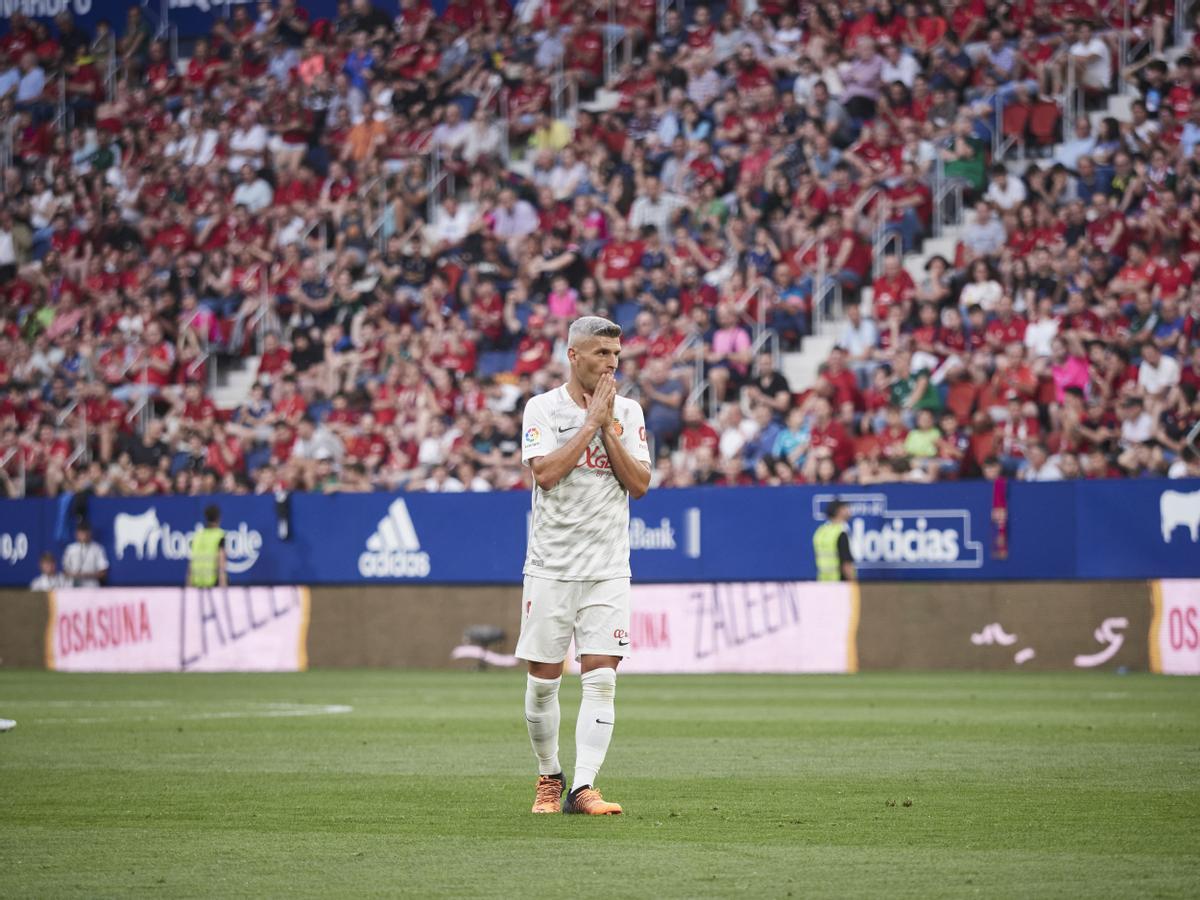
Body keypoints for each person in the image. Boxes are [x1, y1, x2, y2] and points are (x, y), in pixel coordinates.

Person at [518, 316, 652, 816]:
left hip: (608, 568)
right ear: (573, 356)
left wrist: (607, 426)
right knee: (543, 684)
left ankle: (583, 788)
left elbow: (638, 484)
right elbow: (547, 474)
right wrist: (589, 424)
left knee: (601, 679)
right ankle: (549, 775)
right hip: (551, 567)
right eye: (601, 354)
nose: (611, 363)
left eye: (616, 355)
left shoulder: (631, 412)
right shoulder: (542, 408)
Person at [813, 499, 856, 582]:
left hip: (823, 582)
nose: (849, 510)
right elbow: (846, 564)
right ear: (839, 511)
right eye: (846, 508)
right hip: (839, 583)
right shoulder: (840, 532)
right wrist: (853, 582)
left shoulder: (821, 532)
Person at [186, 504, 228, 589]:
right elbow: (221, 565)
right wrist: (224, 588)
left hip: (196, 583)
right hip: (212, 584)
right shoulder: (220, 536)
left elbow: (190, 565)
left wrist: (188, 587)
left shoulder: (197, 536)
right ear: (219, 518)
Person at [61, 522, 109, 587]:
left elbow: (103, 572)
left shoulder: (98, 548)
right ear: (76, 534)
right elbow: (65, 571)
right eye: (81, 533)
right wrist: (74, 575)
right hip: (72, 586)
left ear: (90, 533)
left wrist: (84, 575)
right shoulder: (70, 549)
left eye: (85, 532)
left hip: (91, 587)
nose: (84, 535)